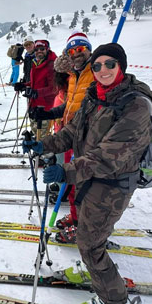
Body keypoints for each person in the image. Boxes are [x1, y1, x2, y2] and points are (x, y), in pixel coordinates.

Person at [22, 43, 152, 304]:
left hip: (112, 185)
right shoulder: (95, 95)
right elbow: (72, 131)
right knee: (86, 230)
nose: (102, 70)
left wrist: (65, 172)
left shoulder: (136, 105)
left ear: (122, 66)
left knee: (90, 242)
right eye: (97, 66)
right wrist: (43, 144)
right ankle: (90, 271)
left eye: (110, 64)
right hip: (88, 178)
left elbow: (110, 156)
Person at [29, 32, 95, 241]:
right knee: (72, 180)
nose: (77, 54)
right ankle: (76, 217)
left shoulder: (94, 73)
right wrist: (49, 113)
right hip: (70, 133)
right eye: (72, 50)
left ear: (89, 51)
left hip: (88, 137)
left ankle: (83, 226)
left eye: (81, 49)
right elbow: (71, 106)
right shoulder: (74, 76)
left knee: (82, 184)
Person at [26, 39, 58, 140]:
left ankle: (44, 153)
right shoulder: (35, 62)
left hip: (45, 107)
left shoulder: (51, 65)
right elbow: (34, 82)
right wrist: (23, 85)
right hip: (34, 103)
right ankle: (38, 150)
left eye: (42, 49)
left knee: (43, 136)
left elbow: (54, 88)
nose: (39, 51)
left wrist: (36, 93)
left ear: (47, 49)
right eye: (36, 49)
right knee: (35, 130)